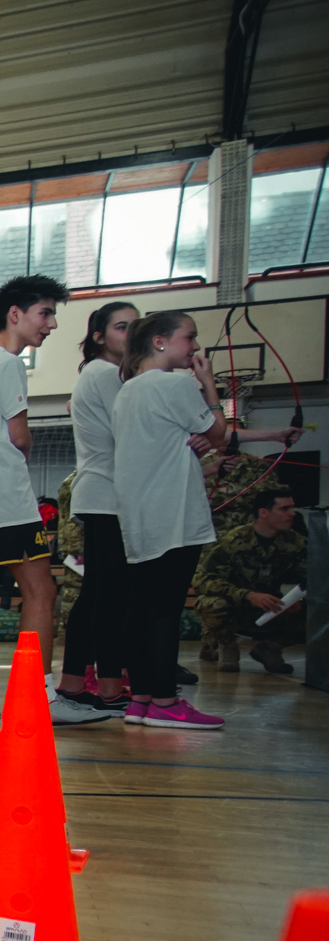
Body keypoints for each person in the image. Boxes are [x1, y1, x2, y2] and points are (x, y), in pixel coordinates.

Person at [0, 275, 109, 727]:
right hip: (6, 500)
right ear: (15, 314)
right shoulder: (6, 363)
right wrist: (20, 452)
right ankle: (40, 696)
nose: (52, 324)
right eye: (45, 313)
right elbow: (19, 437)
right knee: (42, 591)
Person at [113, 311, 227, 728]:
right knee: (165, 609)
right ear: (160, 341)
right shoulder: (175, 384)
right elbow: (219, 432)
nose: (195, 347)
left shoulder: (128, 390)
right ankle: (165, 701)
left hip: (141, 515)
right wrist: (208, 384)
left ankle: (141, 698)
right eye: (189, 337)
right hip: (173, 515)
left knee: (142, 606)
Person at [53, 301, 138, 714]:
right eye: (122, 327)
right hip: (106, 495)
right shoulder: (105, 373)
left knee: (98, 593)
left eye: (136, 327)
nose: (131, 334)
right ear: (99, 336)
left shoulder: (105, 374)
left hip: (105, 495)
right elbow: (134, 434)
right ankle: (107, 687)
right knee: (109, 595)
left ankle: (77, 683)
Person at [196, 487, 305, 673]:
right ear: (263, 513)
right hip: (234, 607)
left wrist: (295, 600)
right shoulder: (233, 541)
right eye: (284, 509)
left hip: (271, 608)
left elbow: (310, 577)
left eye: (292, 508)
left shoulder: (296, 542)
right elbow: (202, 579)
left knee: (316, 610)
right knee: (213, 604)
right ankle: (226, 645)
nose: (292, 513)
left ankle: (269, 649)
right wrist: (247, 595)